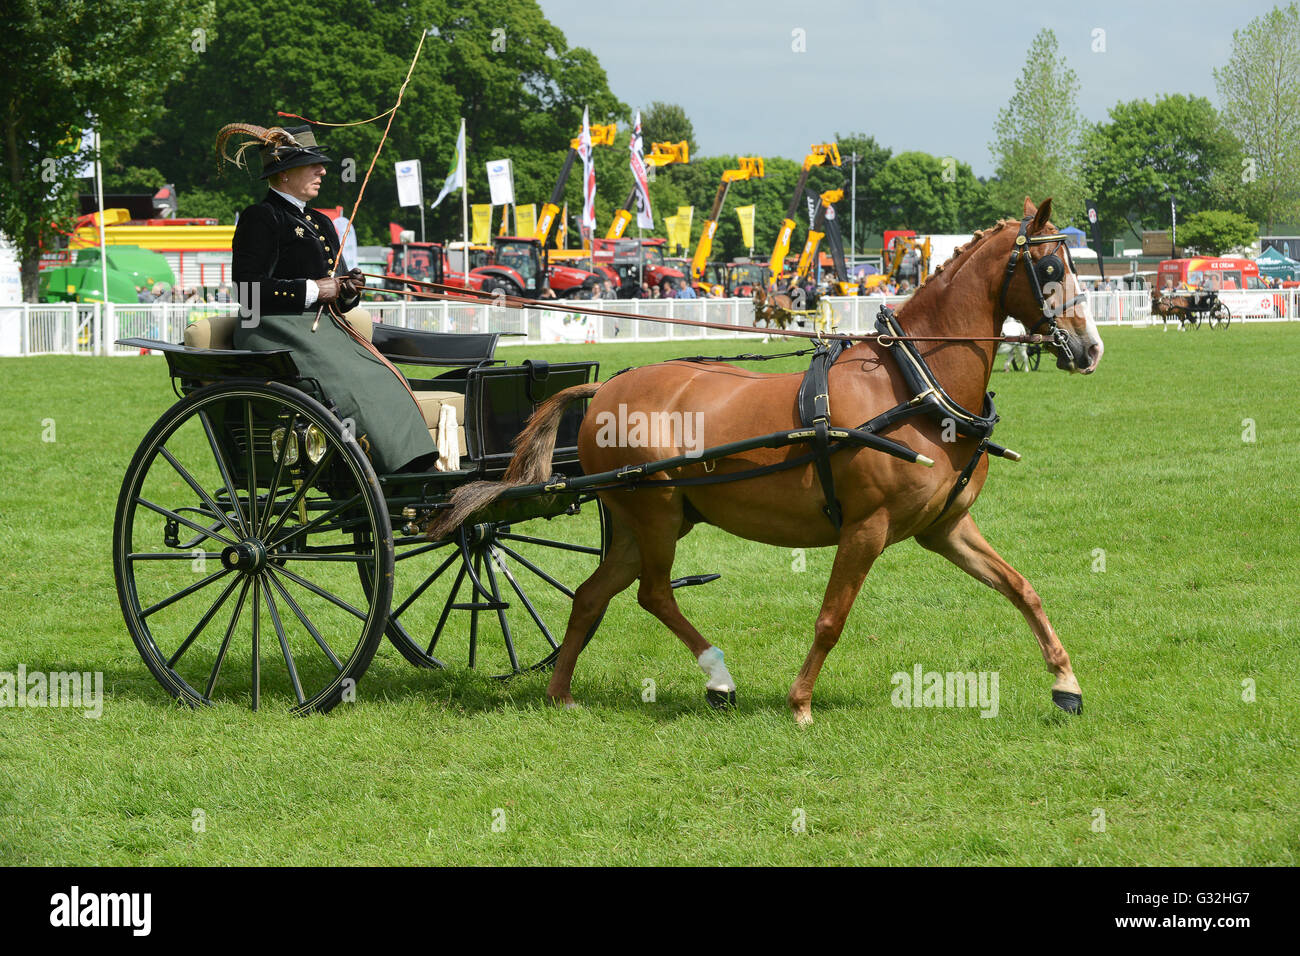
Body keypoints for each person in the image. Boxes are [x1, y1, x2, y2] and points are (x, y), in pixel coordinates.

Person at [218, 122, 437, 474]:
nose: (322, 170)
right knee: (352, 383)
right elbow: (247, 290)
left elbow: (339, 293)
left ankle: (417, 465)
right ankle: (391, 469)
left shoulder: (322, 221)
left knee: (381, 374)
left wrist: (348, 290)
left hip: (322, 332)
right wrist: (316, 289)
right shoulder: (261, 217)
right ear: (285, 173)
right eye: (312, 164)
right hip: (272, 330)